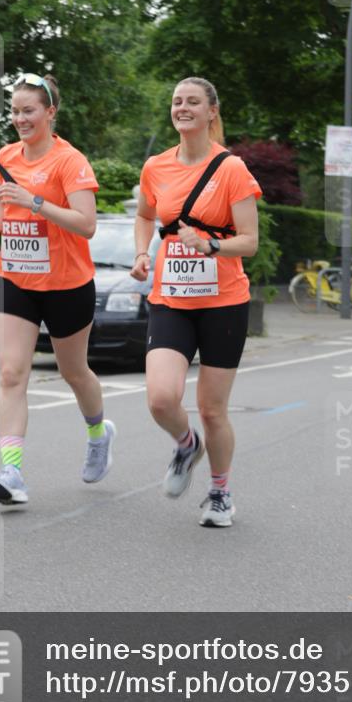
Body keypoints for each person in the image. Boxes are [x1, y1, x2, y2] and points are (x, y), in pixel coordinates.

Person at [0, 72, 114, 505]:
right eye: (14, 111)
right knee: (12, 372)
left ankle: (97, 432)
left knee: (74, 372)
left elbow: (86, 224)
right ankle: (11, 471)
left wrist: (37, 203)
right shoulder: (6, 154)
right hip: (15, 276)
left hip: (67, 283)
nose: (20, 118)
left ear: (50, 112)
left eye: (28, 110)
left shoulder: (70, 161)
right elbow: (3, 198)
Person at [131, 77, 261, 527]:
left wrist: (209, 247)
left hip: (224, 300)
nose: (182, 108)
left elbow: (249, 242)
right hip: (171, 297)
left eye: (192, 102)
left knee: (211, 409)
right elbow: (146, 215)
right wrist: (143, 252)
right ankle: (187, 445)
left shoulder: (232, 169)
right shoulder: (156, 167)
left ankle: (220, 493)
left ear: (211, 111)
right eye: (176, 102)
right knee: (161, 398)